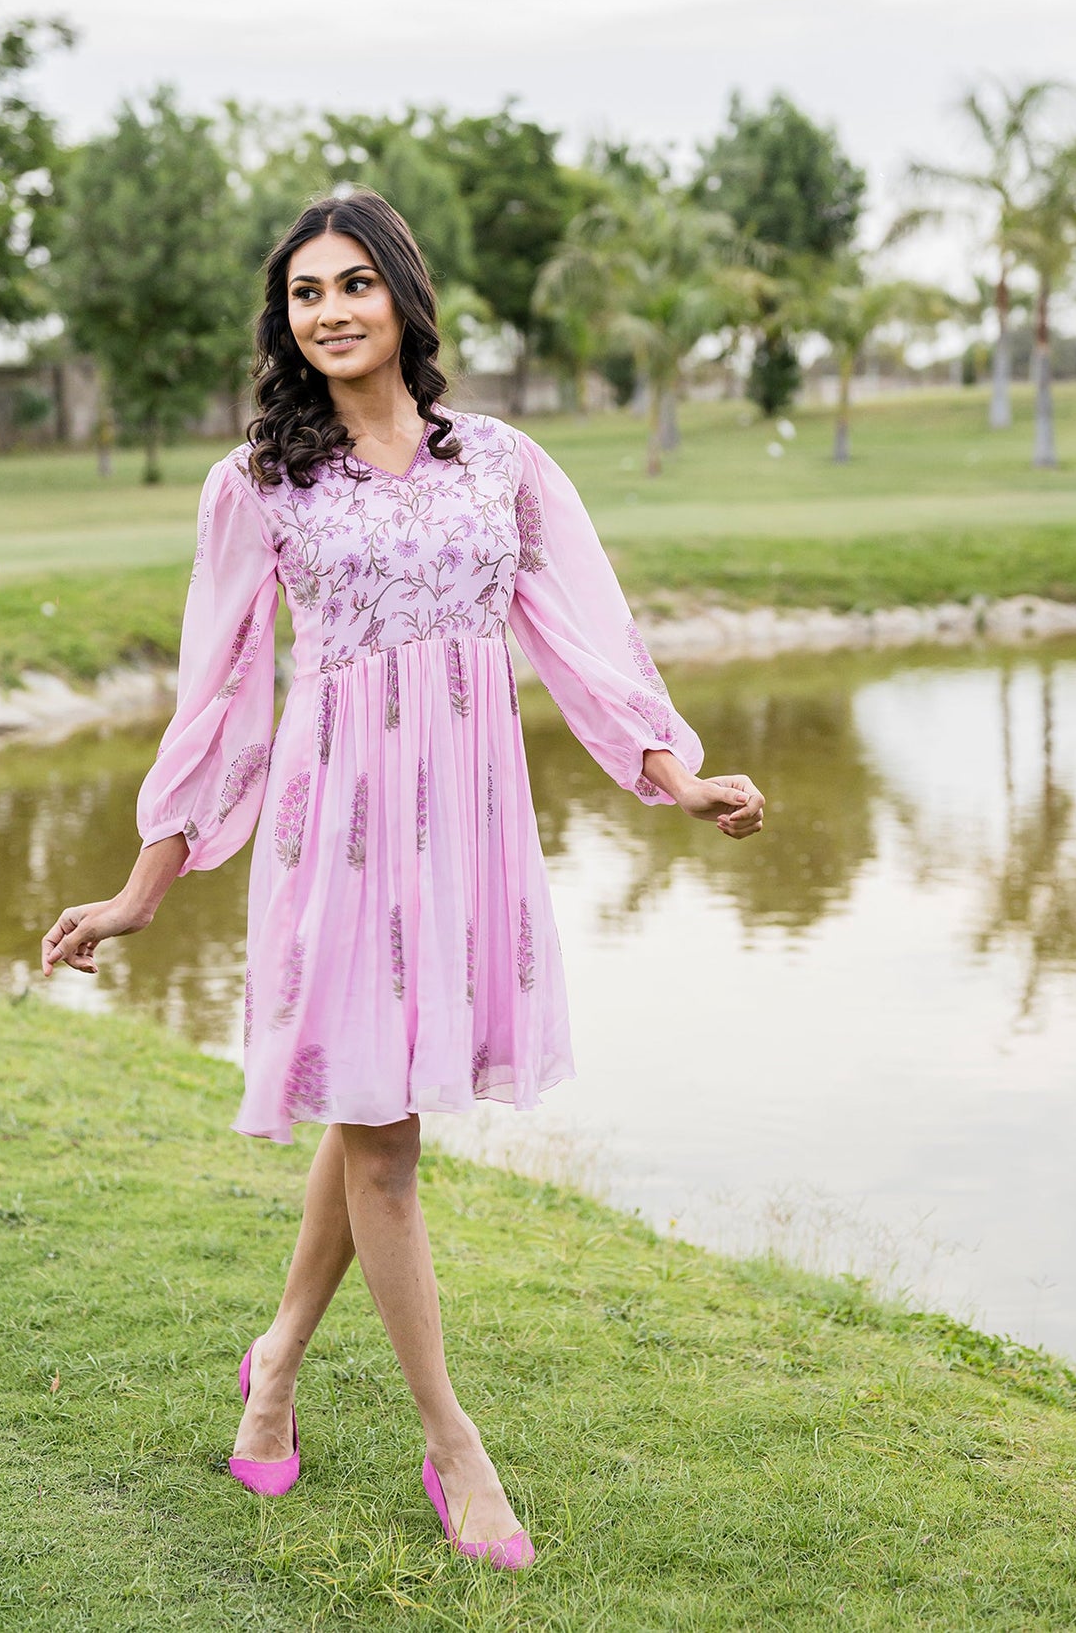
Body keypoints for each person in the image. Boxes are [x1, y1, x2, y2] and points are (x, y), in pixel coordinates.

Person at [41, 190, 764, 1570]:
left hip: (468, 827)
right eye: (305, 292)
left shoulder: (499, 461)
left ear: (403, 298)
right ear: (285, 320)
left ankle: (274, 1367)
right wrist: (145, 884)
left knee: (370, 1105)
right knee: (386, 1136)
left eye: (354, 283)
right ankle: (455, 1447)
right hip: (338, 834)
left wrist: (678, 776)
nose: (330, 310)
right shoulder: (256, 482)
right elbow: (220, 697)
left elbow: (586, 636)